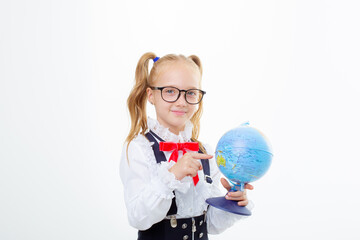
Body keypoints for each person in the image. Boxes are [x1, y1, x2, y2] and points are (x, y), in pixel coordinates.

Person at [120, 52, 254, 240]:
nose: (181, 102)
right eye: (170, 91)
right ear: (151, 95)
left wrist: (231, 201)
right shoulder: (140, 149)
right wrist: (171, 176)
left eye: (191, 93)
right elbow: (137, 217)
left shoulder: (203, 152)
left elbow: (211, 226)